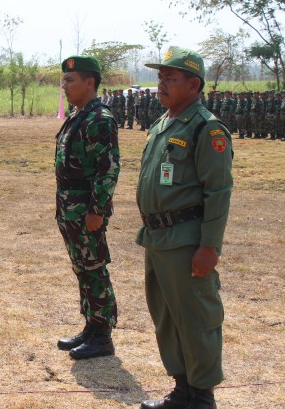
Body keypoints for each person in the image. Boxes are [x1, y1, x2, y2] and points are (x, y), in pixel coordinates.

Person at [138, 46, 233, 409]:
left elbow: (219, 190)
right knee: (165, 316)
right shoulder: (162, 124)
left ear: (193, 85)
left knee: (196, 318)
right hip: (157, 237)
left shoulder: (206, 128)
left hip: (186, 240)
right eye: (160, 77)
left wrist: (209, 246)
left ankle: (202, 396)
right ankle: (182, 389)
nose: (160, 84)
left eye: (170, 78)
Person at [54, 55, 120, 360]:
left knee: (94, 267)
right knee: (81, 266)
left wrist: (97, 211)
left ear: (90, 83)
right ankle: (91, 326)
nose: (64, 85)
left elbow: (107, 169)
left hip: (85, 209)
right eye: (64, 80)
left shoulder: (99, 118)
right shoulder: (78, 114)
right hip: (70, 206)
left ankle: (103, 334)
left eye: (70, 80)